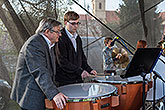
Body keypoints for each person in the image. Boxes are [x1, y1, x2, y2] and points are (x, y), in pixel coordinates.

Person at [10, 18, 68, 110]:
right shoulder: (34, 44)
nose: (60, 34)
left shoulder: (47, 43)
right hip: (29, 95)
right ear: (47, 31)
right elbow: (39, 71)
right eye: (57, 32)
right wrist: (54, 93)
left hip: (38, 92)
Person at [55, 11, 97, 86]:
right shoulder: (60, 38)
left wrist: (89, 69)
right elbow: (62, 61)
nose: (76, 26)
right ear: (65, 22)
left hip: (77, 79)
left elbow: (82, 57)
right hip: (64, 81)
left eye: (77, 23)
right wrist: (80, 71)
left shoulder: (77, 38)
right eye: (73, 23)